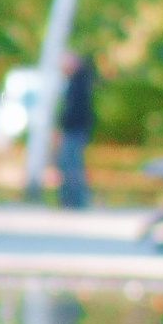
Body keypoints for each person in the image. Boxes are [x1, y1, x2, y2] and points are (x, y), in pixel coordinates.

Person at [55, 50, 97, 209]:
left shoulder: (77, 82)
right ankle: (72, 200)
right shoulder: (79, 81)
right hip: (76, 129)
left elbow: (74, 110)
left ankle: (73, 201)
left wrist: (64, 126)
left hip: (73, 130)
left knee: (70, 165)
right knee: (71, 165)